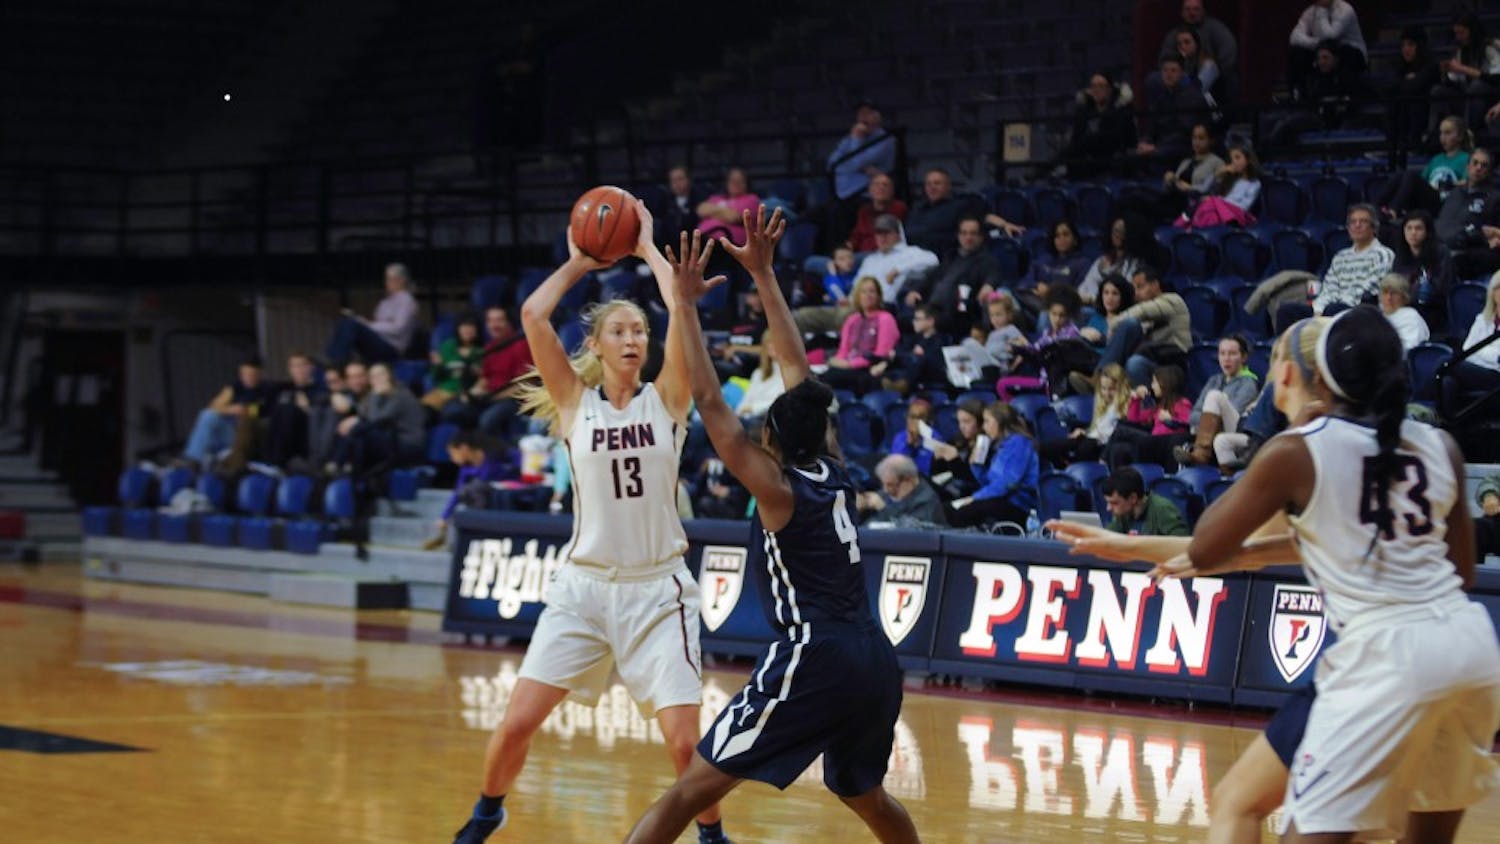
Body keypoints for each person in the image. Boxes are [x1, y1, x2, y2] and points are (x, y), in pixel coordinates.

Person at [1053, 310, 1500, 843]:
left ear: (1301, 375)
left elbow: (1210, 543)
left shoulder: (1298, 450)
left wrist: (1270, 454)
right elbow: (1458, 571)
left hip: (1384, 655)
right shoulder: (1440, 446)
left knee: (1302, 827)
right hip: (1468, 648)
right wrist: (1134, 546)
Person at [623, 210, 920, 844]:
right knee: (863, 792)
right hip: (873, 656)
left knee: (689, 793)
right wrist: (762, 273)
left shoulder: (777, 490)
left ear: (769, 439)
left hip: (814, 656)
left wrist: (684, 306)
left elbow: (710, 404)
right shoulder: (834, 467)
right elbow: (799, 374)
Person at [450, 201, 734, 844]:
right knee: (517, 721)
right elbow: (531, 314)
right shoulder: (575, 405)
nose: (634, 338)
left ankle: (712, 835)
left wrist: (650, 249)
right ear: (597, 346)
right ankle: (485, 813)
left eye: (640, 329)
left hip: (658, 592)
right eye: (620, 331)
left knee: (684, 743)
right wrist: (582, 259)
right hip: (582, 591)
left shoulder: (669, 398)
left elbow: (681, 310)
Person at [1276, 203, 1393, 331]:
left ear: (1374, 228)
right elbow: (1329, 287)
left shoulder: (1383, 254)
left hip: (1359, 309)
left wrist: (1333, 306)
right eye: (1353, 222)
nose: (1357, 225)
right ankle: (1283, 349)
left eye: (1363, 221)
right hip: (1331, 308)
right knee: (1287, 310)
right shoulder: (1341, 256)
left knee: (1335, 309)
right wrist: (1318, 309)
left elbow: (1371, 289)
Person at [901, 216, 1001, 336]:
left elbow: (993, 275)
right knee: (901, 319)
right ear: (958, 236)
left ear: (981, 237)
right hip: (931, 309)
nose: (968, 237)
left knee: (921, 324)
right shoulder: (951, 256)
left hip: (957, 314)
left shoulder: (986, 260)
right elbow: (931, 276)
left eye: (973, 233)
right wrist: (916, 290)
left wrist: (988, 286)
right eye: (964, 233)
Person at [1093, 266, 1190, 389]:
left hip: (1171, 364)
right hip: (1151, 357)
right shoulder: (1143, 308)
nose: (1136, 293)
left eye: (1140, 287)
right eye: (1134, 288)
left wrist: (1114, 323)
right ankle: (1102, 378)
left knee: (1134, 358)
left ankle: (1103, 380)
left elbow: (1143, 311)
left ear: (1155, 285)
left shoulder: (1172, 300)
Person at [946, 401, 1038, 530]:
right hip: (999, 500)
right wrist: (976, 465)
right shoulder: (1000, 446)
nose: (984, 427)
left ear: (1000, 422)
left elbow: (1008, 484)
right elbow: (988, 482)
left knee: (963, 512)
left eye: (987, 421)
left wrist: (975, 498)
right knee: (950, 508)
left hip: (1018, 505)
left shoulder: (1019, 443)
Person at [328, 362, 425, 478]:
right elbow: (364, 415)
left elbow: (376, 420)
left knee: (360, 432)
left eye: (381, 375)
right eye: (373, 376)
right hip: (390, 440)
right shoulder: (379, 395)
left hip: (408, 444)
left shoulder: (400, 394)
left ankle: (343, 466)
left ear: (389, 376)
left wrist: (374, 396)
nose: (377, 379)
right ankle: (346, 469)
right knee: (358, 433)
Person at [1174, 335, 1260, 467]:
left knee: (1214, 396)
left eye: (1232, 354)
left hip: (1237, 430)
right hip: (1212, 434)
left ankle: (1201, 454)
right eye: (1222, 353)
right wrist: (1209, 420)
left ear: (1243, 357)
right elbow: (1193, 415)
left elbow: (1235, 414)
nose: (1226, 359)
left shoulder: (1248, 382)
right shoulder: (1214, 380)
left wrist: (1207, 420)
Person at [179, 358, 272, 471]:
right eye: (244, 374)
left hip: (251, 434)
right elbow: (214, 405)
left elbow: (265, 410)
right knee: (208, 416)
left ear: (260, 374)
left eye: (251, 374)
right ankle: (193, 459)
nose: (247, 378)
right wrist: (231, 409)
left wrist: (246, 410)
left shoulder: (267, 389)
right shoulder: (236, 386)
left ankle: (213, 461)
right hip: (231, 430)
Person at [424, 430, 510, 550]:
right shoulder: (466, 468)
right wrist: (444, 516)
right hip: (482, 499)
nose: (452, 459)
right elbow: (457, 493)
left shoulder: (492, 457)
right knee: (465, 497)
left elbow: (488, 479)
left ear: (464, 448)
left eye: (453, 454)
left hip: (504, 493)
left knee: (474, 489)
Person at [1377, 115, 1472, 219]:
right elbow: (1423, 180)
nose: (1443, 137)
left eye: (1448, 133)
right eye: (1441, 133)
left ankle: (1394, 210)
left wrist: (1448, 184)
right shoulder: (1437, 159)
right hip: (1428, 198)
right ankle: (1374, 207)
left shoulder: (1466, 158)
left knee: (1411, 175)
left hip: (1445, 201)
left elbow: (1469, 181)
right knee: (1400, 175)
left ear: (1460, 136)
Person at [325, 263, 421, 365]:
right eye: (387, 279)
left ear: (402, 280)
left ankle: (338, 363)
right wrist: (364, 323)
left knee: (351, 325)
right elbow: (379, 324)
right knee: (344, 321)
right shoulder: (384, 303)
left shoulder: (406, 300)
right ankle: (333, 358)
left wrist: (369, 325)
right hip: (378, 340)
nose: (387, 283)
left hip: (392, 347)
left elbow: (398, 328)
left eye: (391, 279)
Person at [1039, 362, 1129, 468]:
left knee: (1087, 446)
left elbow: (1115, 432)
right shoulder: (1103, 405)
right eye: (1104, 389)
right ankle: (1063, 469)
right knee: (1047, 447)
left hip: (1102, 446)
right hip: (1089, 438)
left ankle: (1072, 469)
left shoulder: (1125, 406)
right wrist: (1085, 431)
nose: (1106, 393)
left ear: (1121, 387)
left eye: (1112, 389)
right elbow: (1098, 428)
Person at [822, 276, 900, 396]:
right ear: (858, 296)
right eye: (863, 292)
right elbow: (844, 350)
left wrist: (850, 364)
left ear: (879, 296)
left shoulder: (885, 318)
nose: (868, 295)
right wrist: (837, 361)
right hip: (847, 366)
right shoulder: (852, 319)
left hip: (869, 368)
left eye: (872, 291)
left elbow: (881, 354)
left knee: (829, 379)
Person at [1104, 364, 1193, 469]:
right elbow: (1134, 419)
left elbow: (1188, 422)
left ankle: (1102, 459)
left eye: (1154, 382)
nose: (1152, 386)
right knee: (1118, 448)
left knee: (1120, 430)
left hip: (1161, 442)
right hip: (1150, 442)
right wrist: (1136, 399)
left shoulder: (1182, 403)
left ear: (1165, 383)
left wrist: (1171, 419)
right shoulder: (1157, 406)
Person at [1430, 12, 1500, 138]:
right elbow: (1455, 81)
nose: (1458, 37)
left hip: (1488, 99)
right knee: (1438, 91)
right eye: (1456, 33)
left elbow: (1495, 79)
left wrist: (1463, 69)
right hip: (1466, 97)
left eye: (1462, 33)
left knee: (1477, 86)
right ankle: (1435, 134)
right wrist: (1446, 72)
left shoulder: (1490, 47)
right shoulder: (1460, 50)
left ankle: (1467, 134)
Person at [1434, 147, 1500, 279]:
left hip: (1469, 249)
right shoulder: (1455, 191)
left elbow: (1495, 234)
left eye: (1484, 165)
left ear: (1489, 172)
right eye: (1475, 163)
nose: (1478, 168)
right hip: (1439, 243)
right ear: (1468, 166)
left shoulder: (1495, 198)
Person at [470, 306, 534, 441]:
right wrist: (472, 392)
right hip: (492, 397)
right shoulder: (490, 347)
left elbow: (524, 383)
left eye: (499, 320)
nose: (494, 325)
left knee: (487, 420)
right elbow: (485, 378)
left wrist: (493, 397)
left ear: (510, 322)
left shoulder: (521, 345)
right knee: (458, 411)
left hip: (515, 399)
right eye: (490, 321)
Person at [1136, 55, 1210, 168]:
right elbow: (1152, 126)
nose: (1168, 75)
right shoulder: (1160, 96)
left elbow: (1184, 132)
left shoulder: (1192, 97)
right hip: (1161, 143)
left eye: (1173, 71)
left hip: (1183, 144)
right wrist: (1145, 142)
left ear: (1182, 73)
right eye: (1165, 70)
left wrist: (1157, 147)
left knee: (1158, 154)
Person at [1443, 270, 1500, 415]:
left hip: (1495, 377)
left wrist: (1479, 353)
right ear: (1492, 293)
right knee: (1447, 382)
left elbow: (1497, 359)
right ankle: (1448, 429)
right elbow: (1467, 349)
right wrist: (1486, 354)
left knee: (1446, 362)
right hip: (1475, 370)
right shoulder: (1483, 319)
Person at [1287, 0, 1367, 100]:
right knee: (1297, 53)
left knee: (1345, 53)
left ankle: (1347, 97)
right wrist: (1317, 44)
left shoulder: (1345, 9)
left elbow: (1330, 36)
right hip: (1324, 51)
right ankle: (1300, 96)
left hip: (1352, 52)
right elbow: (1294, 37)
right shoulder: (1310, 12)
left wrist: (1322, 11)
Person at [1066, 72, 1137, 179]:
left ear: (1110, 89)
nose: (1096, 89)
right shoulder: (1084, 110)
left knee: (1089, 140)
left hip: (1112, 157)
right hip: (1086, 157)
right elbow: (1076, 138)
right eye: (1093, 86)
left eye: (1101, 86)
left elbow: (1120, 138)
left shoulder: (1121, 109)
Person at [854, 215, 939, 305]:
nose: (882, 237)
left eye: (887, 233)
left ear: (898, 234)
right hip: (861, 306)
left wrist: (898, 270)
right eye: (879, 233)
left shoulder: (910, 252)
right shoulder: (870, 260)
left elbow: (933, 259)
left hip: (887, 306)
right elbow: (857, 286)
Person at [264, 353, 328, 468]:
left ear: (311, 367)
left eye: (302, 365)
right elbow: (262, 410)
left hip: (307, 437)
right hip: (279, 434)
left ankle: (277, 462)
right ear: (290, 369)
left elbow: (323, 419)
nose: (298, 370)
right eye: (294, 366)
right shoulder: (281, 389)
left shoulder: (321, 390)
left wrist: (306, 408)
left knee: (290, 409)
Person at [1390, 210, 1454, 324]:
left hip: (1433, 310)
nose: (1413, 232)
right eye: (1409, 228)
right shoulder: (1400, 254)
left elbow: (1441, 287)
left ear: (1427, 231)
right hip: (1404, 307)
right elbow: (1396, 283)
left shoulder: (1441, 252)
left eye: (1418, 228)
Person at [1178, 141, 1261, 229]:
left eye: (1237, 158)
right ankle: (1201, 231)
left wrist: (1219, 201)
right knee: (1207, 204)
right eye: (1232, 159)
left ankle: (1184, 225)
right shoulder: (1230, 179)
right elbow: (1204, 189)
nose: (1234, 162)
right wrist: (1218, 174)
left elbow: (1244, 207)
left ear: (1248, 160)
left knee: (1211, 201)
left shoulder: (1254, 183)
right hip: (1219, 213)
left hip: (1239, 216)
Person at [902, 168, 985, 256]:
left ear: (949, 186)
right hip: (911, 256)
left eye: (937, 183)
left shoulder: (960, 206)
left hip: (941, 258)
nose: (932, 187)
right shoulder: (918, 210)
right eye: (928, 184)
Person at [1079, 216, 1156, 305]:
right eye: (1115, 230)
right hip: (1095, 304)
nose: (1117, 235)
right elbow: (1086, 285)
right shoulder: (1101, 260)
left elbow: (1128, 292)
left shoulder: (1137, 264)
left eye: (1122, 231)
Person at [859, 452, 947, 527]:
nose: (885, 490)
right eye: (883, 484)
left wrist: (883, 509)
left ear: (908, 480)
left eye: (890, 485)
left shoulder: (927, 500)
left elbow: (911, 530)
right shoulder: (886, 493)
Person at [882, 304, 951, 395]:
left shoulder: (941, 340)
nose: (914, 322)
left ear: (930, 321)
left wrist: (914, 356)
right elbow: (898, 352)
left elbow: (934, 361)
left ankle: (903, 385)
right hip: (910, 369)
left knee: (920, 359)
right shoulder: (913, 338)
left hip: (931, 375)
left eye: (917, 319)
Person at [1390, 25, 1440, 148]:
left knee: (1414, 99)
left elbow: (1416, 86)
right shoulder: (1400, 64)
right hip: (1404, 109)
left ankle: (1414, 144)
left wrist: (1407, 82)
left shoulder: (1431, 64)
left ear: (1420, 46)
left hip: (1425, 109)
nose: (1406, 49)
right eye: (1403, 45)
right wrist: (1408, 82)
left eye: (1410, 44)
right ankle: (1393, 144)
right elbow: (1390, 86)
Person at [1100, 467, 1189, 536]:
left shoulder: (1162, 509)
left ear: (1133, 498)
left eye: (1114, 503)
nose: (1108, 508)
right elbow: (1108, 538)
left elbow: (1180, 542)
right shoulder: (1123, 512)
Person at [425, 311, 485, 414]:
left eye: (471, 327)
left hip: (465, 394)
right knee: (421, 410)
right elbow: (435, 376)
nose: (467, 330)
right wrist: (437, 365)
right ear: (458, 329)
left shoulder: (482, 351)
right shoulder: (448, 346)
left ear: (477, 330)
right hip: (444, 392)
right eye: (464, 326)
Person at [846, 172, 907, 253]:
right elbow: (856, 236)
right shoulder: (864, 210)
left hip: (884, 253)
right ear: (870, 190)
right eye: (876, 185)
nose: (881, 188)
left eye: (885, 185)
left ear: (892, 190)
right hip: (860, 254)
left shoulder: (899, 208)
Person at [1378, 273, 1429, 351]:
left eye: (1394, 293)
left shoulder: (1411, 318)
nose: (1389, 298)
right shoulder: (1376, 316)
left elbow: (1410, 349)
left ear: (1404, 297)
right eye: (1385, 292)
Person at [886, 400, 936, 476]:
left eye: (920, 418)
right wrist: (909, 445)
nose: (915, 421)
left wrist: (919, 443)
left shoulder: (935, 438)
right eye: (912, 417)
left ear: (929, 421)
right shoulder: (900, 438)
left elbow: (929, 470)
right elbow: (895, 468)